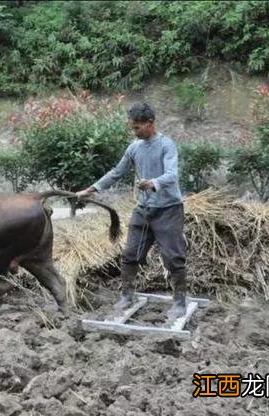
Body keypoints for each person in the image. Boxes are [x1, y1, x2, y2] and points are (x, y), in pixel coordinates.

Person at [76, 102, 187, 320]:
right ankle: (127, 296)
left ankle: (180, 302)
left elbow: (172, 175)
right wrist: (92, 189)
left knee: (173, 257)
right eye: (132, 127)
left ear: (150, 123)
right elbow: (117, 172)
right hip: (144, 210)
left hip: (169, 210)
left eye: (137, 127)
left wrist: (153, 182)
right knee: (130, 255)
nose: (134, 131)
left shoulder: (166, 145)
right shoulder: (134, 148)